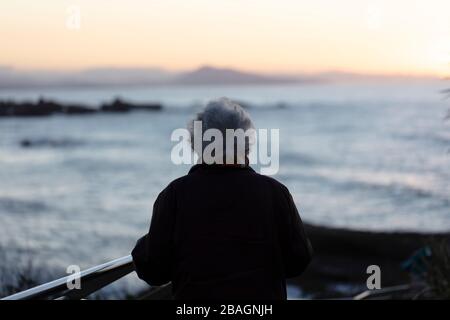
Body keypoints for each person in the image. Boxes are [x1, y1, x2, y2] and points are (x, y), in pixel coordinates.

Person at [132, 97, 313, 299]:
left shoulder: (175, 194)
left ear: (198, 146)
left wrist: (144, 246)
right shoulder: (275, 192)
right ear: (246, 145)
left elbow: (154, 270)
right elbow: (298, 260)